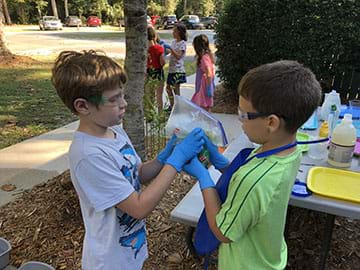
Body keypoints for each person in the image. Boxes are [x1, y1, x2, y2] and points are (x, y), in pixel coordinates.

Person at [51, 50, 205, 270]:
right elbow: (139, 207)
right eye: (114, 99)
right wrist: (176, 161)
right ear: (82, 106)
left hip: (129, 251)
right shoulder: (88, 155)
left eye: (122, 95)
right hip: (109, 261)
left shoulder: (114, 131)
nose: (124, 104)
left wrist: (163, 159)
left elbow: (137, 173)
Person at [184, 60, 322, 269]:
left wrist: (204, 178)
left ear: (271, 123)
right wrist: (219, 161)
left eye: (243, 115)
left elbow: (222, 232)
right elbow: (253, 171)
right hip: (269, 257)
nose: (240, 121)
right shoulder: (290, 150)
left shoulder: (251, 181)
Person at [191, 34, 215, 112]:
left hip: (204, 86)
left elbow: (208, 72)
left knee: (204, 106)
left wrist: (208, 88)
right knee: (205, 106)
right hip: (204, 85)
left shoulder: (204, 58)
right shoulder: (207, 56)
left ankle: (207, 123)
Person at [166, 23, 188, 110]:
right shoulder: (173, 42)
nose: (173, 33)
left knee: (176, 89)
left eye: (174, 31)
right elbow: (171, 53)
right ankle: (172, 106)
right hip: (172, 69)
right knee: (168, 88)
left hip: (178, 70)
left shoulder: (182, 43)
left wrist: (171, 50)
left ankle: (178, 107)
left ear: (179, 32)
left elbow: (179, 56)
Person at [146, 26, 166, 111]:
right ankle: (160, 113)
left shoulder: (145, 49)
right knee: (159, 95)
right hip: (158, 72)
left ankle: (149, 114)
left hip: (148, 72)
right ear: (155, 36)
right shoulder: (159, 48)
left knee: (149, 94)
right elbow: (162, 62)